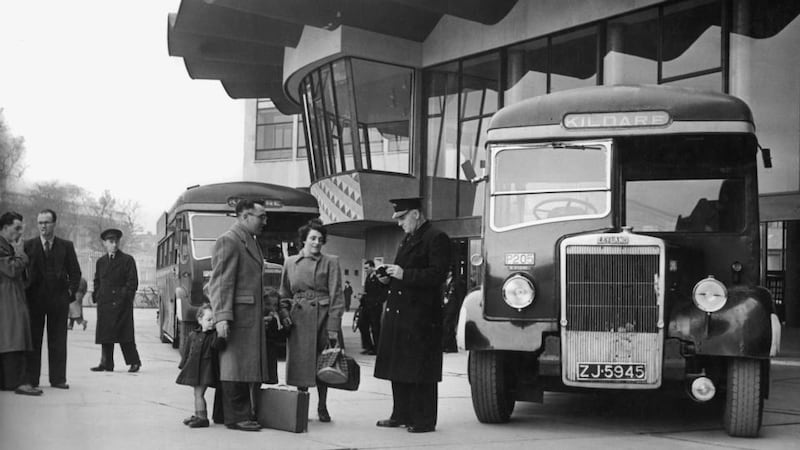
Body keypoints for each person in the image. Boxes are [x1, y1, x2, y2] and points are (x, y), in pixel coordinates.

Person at [374, 197, 451, 433]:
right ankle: (401, 414)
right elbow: (404, 275)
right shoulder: (409, 238)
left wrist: (404, 274)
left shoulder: (436, 238)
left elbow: (437, 275)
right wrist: (387, 278)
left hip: (421, 317)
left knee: (420, 370)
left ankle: (424, 419)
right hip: (402, 314)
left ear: (416, 214)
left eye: (402, 217)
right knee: (399, 367)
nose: (399, 223)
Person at [208, 199, 270, 432]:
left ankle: (226, 414)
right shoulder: (230, 241)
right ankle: (237, 416)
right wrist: (222, 317)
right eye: (261, 216)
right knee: (235, 366)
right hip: (237, 316)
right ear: (244, 216)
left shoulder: (248, 241)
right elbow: (220, 283)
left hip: (247, 316)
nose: (265, 221)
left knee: (239, 365)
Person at [278, 218, 344, 424]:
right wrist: (284, 315)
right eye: (313, 238)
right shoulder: (289, 262)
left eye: (320, 239)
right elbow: (283, 293)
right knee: (300, 363)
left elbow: (337, 295)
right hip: (298, 320)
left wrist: (333, 326)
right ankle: (302, 405)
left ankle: (322, 406)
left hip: (323, 318)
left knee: (324, 363)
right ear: (303, 240)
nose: (317, 242)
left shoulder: (331, 261)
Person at [24, 209, 81, 390]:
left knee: (58, 340)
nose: (43, 226)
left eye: (46, 222)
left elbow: (75, 272)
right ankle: (32, 379)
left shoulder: (66, 246)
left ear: (54, 224)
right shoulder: (29, 245)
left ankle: (58, 379)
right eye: (40, 222)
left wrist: (69, 293)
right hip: (35, 301)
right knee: (34, 340)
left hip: (58, 300)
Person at [0, 212, 41, 396]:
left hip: (11, 295)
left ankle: (12, 381)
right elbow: (11, 268)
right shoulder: (6, 247)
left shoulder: (6, 246)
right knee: (13, 336)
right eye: (16, 228)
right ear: (4, 227)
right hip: (7, 297)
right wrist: (20, 253)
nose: (19, 233)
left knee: (13, 336)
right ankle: (18, 382)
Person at [90, 228, 142, 373]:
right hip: (105, 303)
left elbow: (132, 282)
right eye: (111, 242)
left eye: (116, 242)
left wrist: (126, 297)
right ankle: (106, 363)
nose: (114, 245)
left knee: (125, 334)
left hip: (122, 304)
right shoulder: (101, 262)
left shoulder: (127, 260)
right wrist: (98, 295)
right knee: (105, 334)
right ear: (105, 243)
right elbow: (97, 280)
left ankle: (134, 362)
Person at [176, 303, 226, 428]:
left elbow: (218, 346)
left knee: (199, 393)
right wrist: (183, 365)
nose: (212, 322)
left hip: (205, 370)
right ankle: (198, 414)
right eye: (208, 320)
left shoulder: (213, 335)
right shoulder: (193, 335)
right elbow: (186, 352)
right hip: (194, 369)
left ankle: (202, 418)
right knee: (197, 393)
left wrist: (220, 334)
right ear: (199, 320)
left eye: (214, 320)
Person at [358, 260, 387, 355]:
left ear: (372, 267)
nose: (365, 270)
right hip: (366, 305)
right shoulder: (368, 277)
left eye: (367, 268)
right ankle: (368, 346)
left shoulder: (378, 276)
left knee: (375, 327)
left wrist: (378, 302)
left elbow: (384, 291)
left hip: (375, 306)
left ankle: (377, 348)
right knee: (362, 325)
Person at [263, 287, 288, 385]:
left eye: (275, 305)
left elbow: (280, 336)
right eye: (268, 304)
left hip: (270, 353)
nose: (272, 308)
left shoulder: (276, 319)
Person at [441, 268, 467, 353]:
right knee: (446, 325)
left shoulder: (456, 283)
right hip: (446, 306)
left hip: (453, 306)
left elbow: (459, 296)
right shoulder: (444, 283)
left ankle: (450, 346)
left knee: (449, 325)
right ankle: (448, 346)